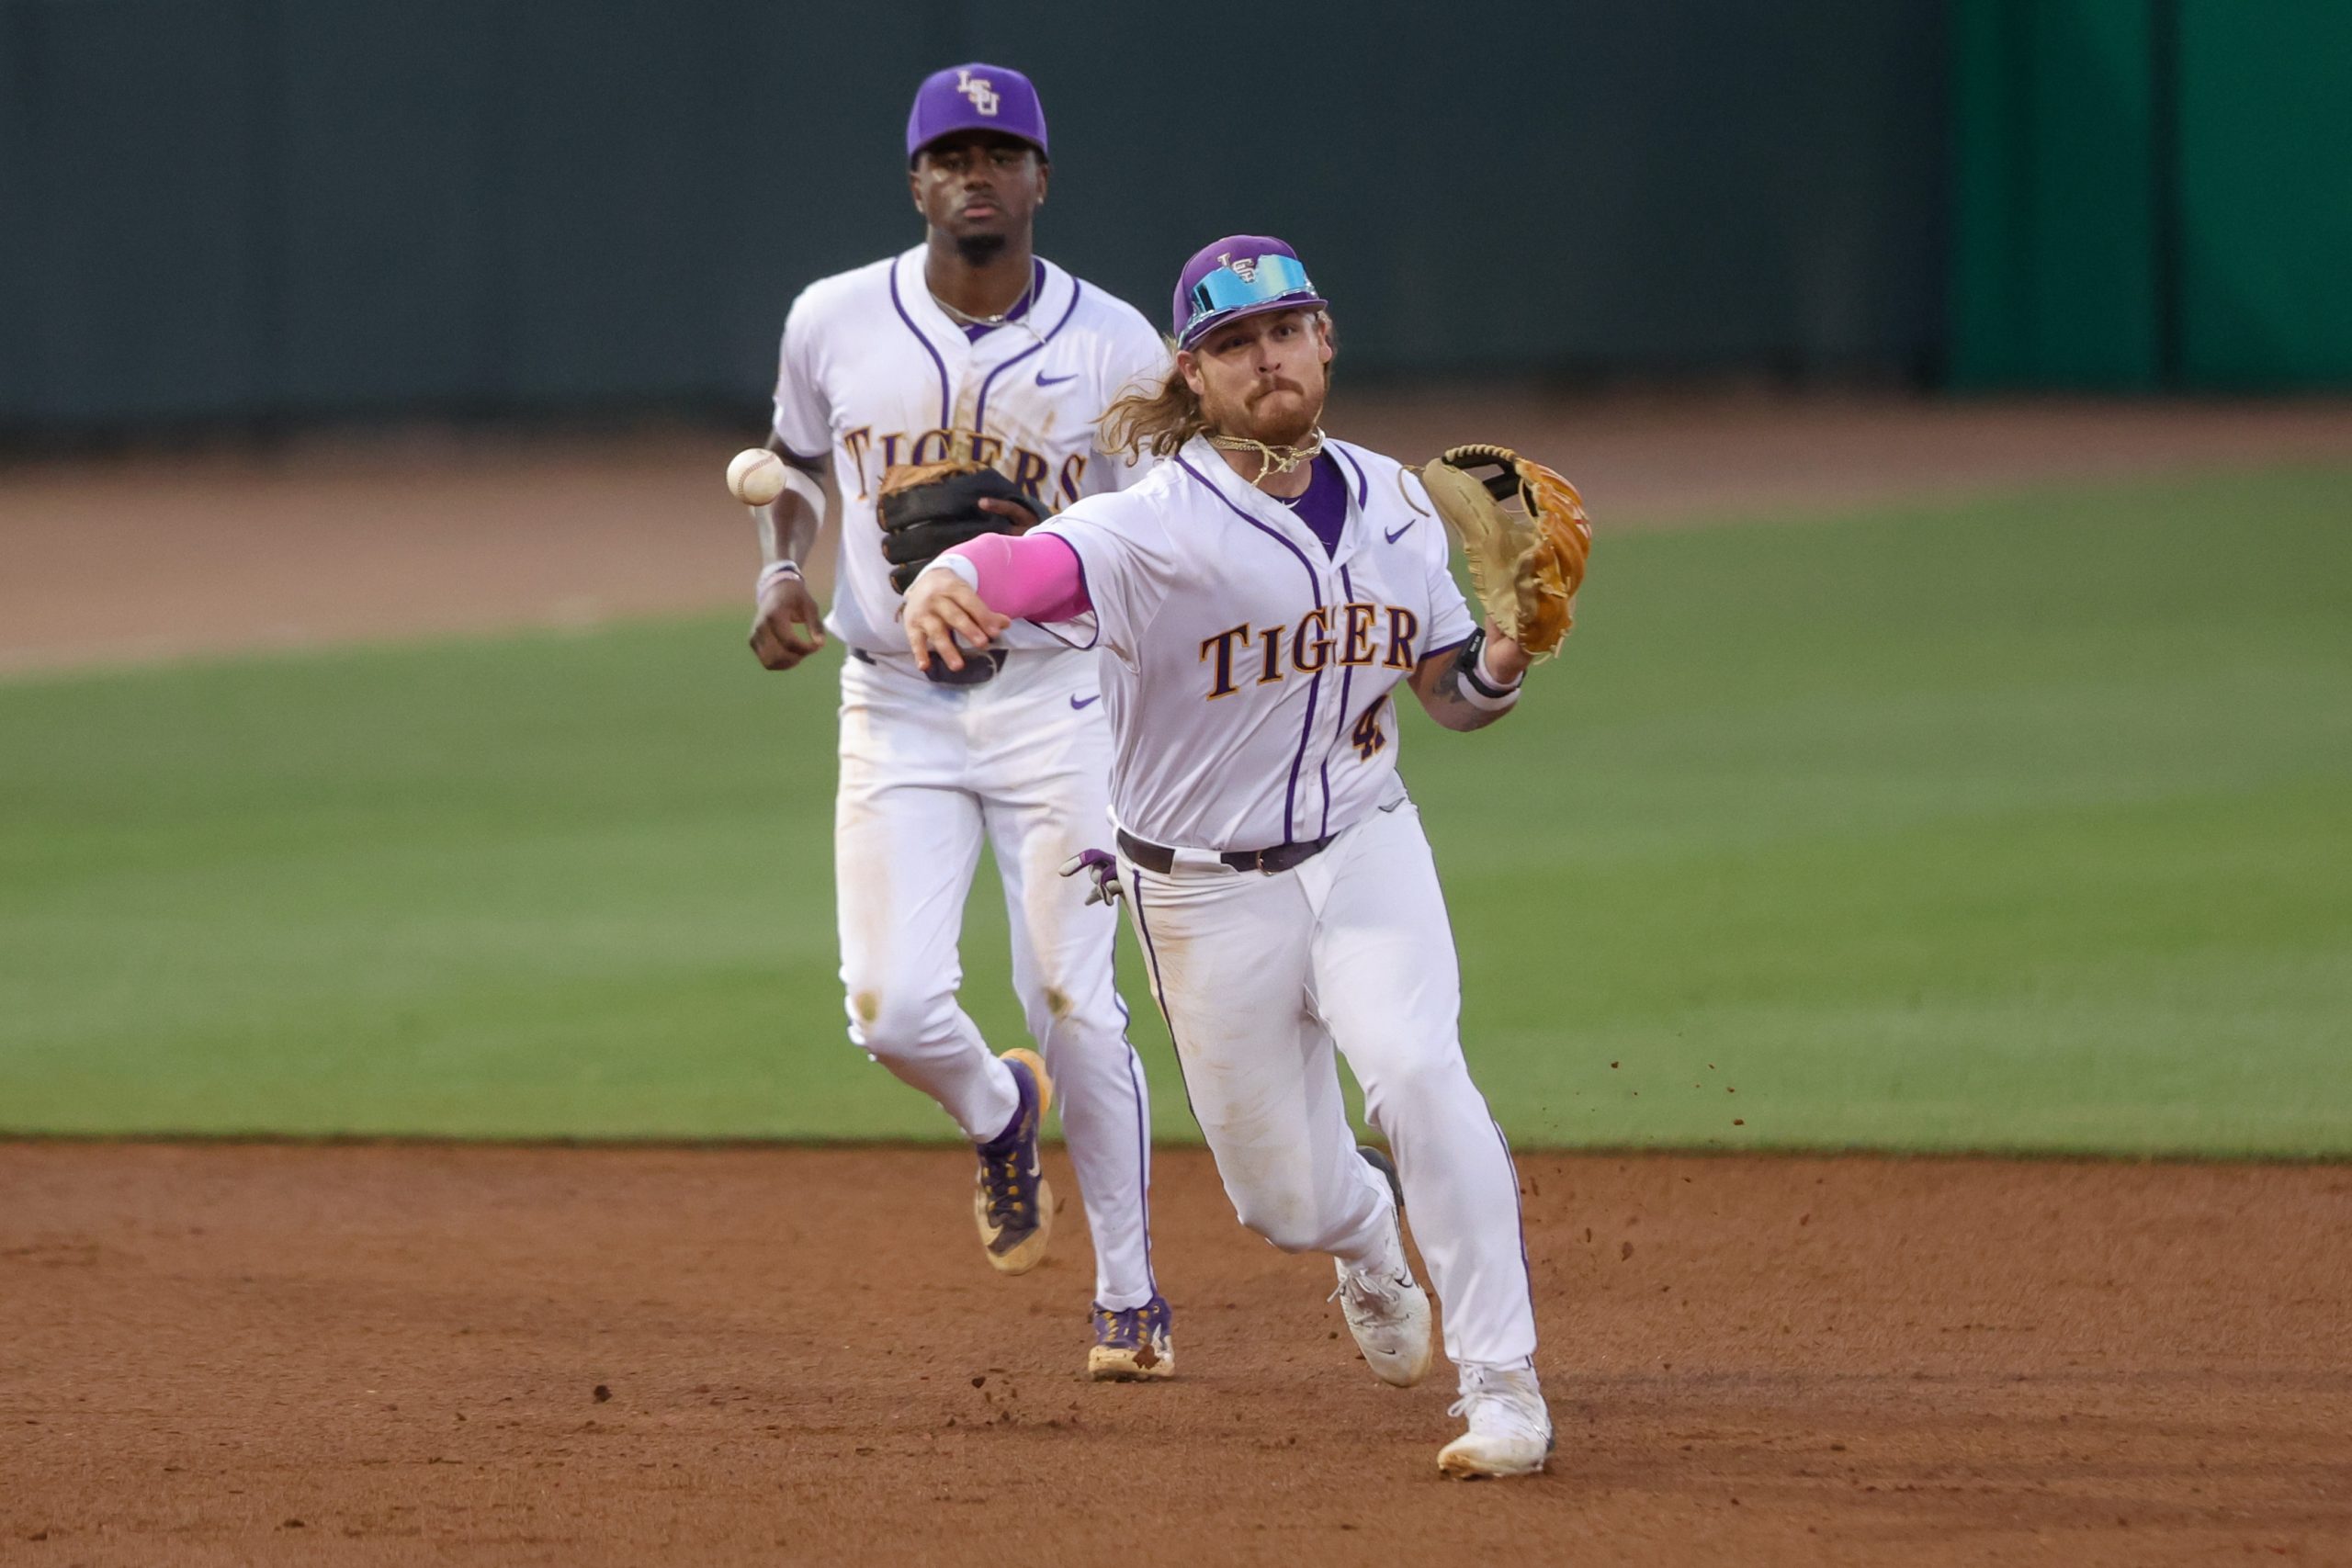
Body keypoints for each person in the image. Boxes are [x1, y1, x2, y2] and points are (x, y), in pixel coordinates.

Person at [899, 235, 1558, 1478]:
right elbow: (1035, 561)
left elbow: (1451, 695)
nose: (1268, 358)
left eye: (1286, 330)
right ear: (1195, 375)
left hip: (1367, 848)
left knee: (1421, 1075)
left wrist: (1509, 657)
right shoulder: (1155, 526)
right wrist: (954, 572)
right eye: (1234, 343)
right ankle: (1367, 1236)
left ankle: (1505, 1388)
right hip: (1200, 892)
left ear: (1324, 343)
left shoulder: (1400, 503)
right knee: (1285, 1204)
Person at [745, 63, 1173, 1380]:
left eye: (1001, 152)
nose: (975, 173)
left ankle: (1130, 1295)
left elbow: (1166, 534)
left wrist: (1041, 556)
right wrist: (778, 573)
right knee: (886, 1008)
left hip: (1057, 702)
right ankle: (1000, 1116)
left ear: (1042, 178)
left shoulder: (1117, 346)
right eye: (951, 154)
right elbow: (798, 470)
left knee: (1069, 995)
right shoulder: (831, 320)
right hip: (892, 703)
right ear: (916, 180)